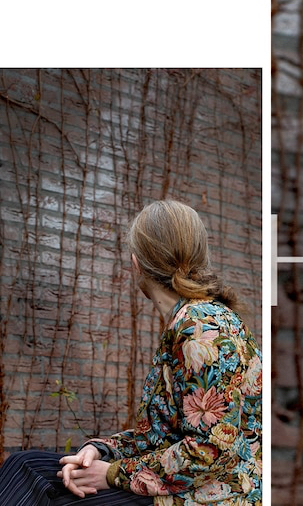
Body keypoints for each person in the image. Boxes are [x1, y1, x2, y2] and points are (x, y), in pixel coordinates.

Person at [0, 200, 262, 505]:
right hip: (183, 482)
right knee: (25, 466)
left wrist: (113, 474)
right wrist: (101, 451)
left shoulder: (201, 330)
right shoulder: (191, 321)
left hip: (213, 495)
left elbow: (209, 452)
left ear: (136, 263)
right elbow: (159, 437)